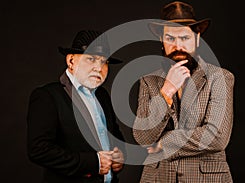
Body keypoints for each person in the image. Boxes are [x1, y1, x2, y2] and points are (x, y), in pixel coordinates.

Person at [133, 1, 234, 182]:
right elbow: (142, 136)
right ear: (162, 41)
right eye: (170, 38)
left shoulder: (220, 78)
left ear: (197, 38)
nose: (178, 45)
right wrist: (167, 91)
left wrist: (165, 142)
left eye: (184, 38)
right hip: (158, 177)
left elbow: (216, 137)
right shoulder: (149, 80)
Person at [27, 30, 124, 183]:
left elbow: (115, 135)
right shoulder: (47, 96)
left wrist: (120, 154)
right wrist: (94, 162)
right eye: (91, 59)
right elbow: (39, 150)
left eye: (104, 61)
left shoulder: (103, 96)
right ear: (71, 61)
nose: (99, 68)